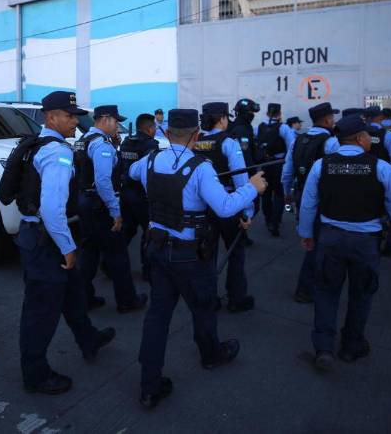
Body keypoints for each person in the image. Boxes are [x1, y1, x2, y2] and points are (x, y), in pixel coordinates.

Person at [129, 109, 268, 408]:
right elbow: (225, 206)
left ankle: (149, 385)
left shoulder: (150, 160)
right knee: (203, 306)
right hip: (188, 257)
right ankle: (211, 355)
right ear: (196, 135)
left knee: (157, 317)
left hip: (156, 249)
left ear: (166, 134)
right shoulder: (201, 168)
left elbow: (130, 173)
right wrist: (251, 188)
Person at [7, 91, 116, 395]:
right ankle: (36, 374)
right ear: (51, 117)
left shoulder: (36, 144)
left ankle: (88, 338)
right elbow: (52, 209)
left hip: (39, 236)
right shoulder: (57, 152)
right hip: (48, 241)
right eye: (69, 116)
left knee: (73, 294)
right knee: (41, 312)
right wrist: (67, 247)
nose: (74, 121)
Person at [298, 114, 391, 371]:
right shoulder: (380, 167)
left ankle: (324, 348)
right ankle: (351, 346)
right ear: (362, 138)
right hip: (365, 242)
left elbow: (308, 204)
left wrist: (306, 234)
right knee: (361, 295)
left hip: (329, 238)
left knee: (326, 293)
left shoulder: (322, 165)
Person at [74, 105, 147, 312]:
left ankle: (84, 297)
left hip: (86, 202)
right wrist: (115, 212)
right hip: (100, 206)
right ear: (105, 119)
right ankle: (127, 300)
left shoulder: (85, 140)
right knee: (117, 254)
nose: (117, 126)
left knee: (89, 251)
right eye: (116, 122)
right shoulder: (101, 145)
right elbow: (104, 181)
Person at [195, 102, 255, 312]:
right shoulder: (229, 142)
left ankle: (209, 299)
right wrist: (247, 210)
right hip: (229, 203)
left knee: (207, 255)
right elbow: (241, 178)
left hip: (204, 206)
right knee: (235, 252)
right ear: (221, 119)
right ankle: (237, 298)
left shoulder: (197, 141)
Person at [281, 102, 340, 303]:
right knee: (318, 242)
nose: (334, 121)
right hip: (323, 198)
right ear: (326, 120)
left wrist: (287, 193)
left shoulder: (298, 140)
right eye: (332, 117)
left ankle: (311, 284)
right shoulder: (331, 142)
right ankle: (306, 288)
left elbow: (287, 172)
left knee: (312, 238)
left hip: (301, 193)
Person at [119, 113, 160, 277]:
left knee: (127, 230)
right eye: (155, 127)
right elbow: (150, 172)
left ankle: (110, 264)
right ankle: (148, 269)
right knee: (148, 232)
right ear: (150, 128)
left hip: (126, 193)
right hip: (141, 195)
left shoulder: (127, 141)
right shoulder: (151, 144)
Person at [256, 103, 295, 237]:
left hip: (265, 164)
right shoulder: (283, 127)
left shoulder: (260, 127)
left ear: (267, 113)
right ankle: (275, 221)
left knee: (266, 193)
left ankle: (267, 219)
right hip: (279, 164)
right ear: (279, 114)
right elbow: (292, 146)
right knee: (279, 193)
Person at [228, 98, 261, 246]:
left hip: (245, 172)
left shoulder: (243, 126)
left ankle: (240, 232)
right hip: (246, 173)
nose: (252, 114)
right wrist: (251, 177)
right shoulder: (241, 129)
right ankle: (239, 234)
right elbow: (244, 155)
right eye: (250, 112)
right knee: (249, 204)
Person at [364, 106, 391, 185]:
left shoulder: (359, 134)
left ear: (366, 118)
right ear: (380, 116)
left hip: (364, 176)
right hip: (383, 176)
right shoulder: (388, 135)